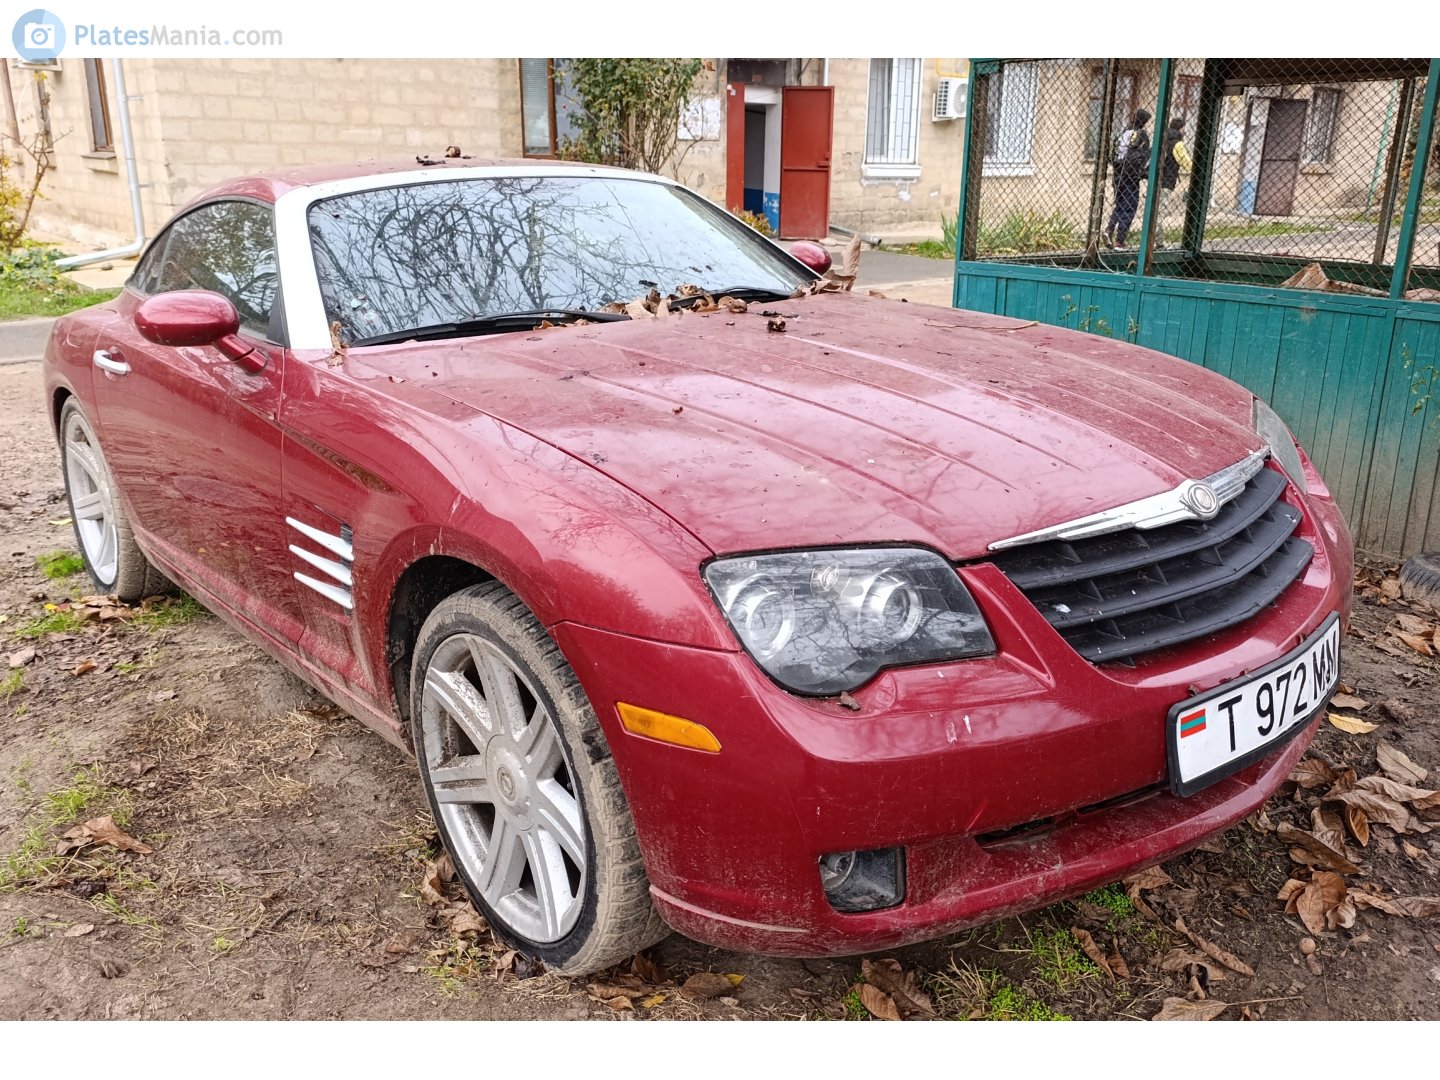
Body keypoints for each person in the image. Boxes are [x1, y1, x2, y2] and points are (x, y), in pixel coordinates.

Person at [1104, 108, 1151, 248]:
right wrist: (1143, 173)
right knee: (1130, 207)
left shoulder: (1123, 133)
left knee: (1120, 204)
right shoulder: (1141, 135)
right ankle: (1120, 240)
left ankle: (1109, 229)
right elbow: (1142, 157)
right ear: (1143, 121)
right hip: (1131, 176)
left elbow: (1113, 155)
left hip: (1118, 174)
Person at [1159, 118, 1192, 248]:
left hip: (1156, 180)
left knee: (1155, 210)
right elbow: (1186, 163)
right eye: (1184, 128)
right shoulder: (1177, 144)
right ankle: (1159, 242)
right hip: (1167, 180)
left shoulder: (1162, 140)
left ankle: (1153, 240)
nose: (1185, 131)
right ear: (1180, 128)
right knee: (1161, 211)